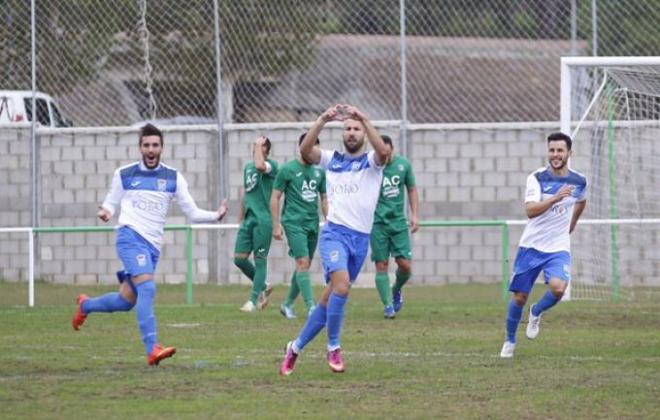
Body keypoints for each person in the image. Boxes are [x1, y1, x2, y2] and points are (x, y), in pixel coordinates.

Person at [72, 123, 228, 366]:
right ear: (140, 148)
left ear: (162, 148)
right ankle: (152, 348)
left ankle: (86, 304)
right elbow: (111, 204)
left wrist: (216, 215)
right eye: (146, 145)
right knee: (148, 289)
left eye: (155, 145)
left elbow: (192, 212)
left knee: (125, 302)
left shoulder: (173, 177)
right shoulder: (124, 174)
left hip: (152, 247)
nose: (151, 149)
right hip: (129, 237)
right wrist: (106, 212)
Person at [279, 104, 390, 375]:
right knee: (341, 287)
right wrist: (321, 121)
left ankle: (295, 347)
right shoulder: (332, 159)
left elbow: (384, 152)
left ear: (363, 134)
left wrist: (364, 116)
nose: (351, 133)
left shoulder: (372, 163)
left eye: (356, 129)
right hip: (334, 234)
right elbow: (305, 150)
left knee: (328, 300)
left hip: (360, 240)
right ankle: (334, 347)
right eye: (347, 129)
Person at [500, 132, 587, 358]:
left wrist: (573, 223)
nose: (555, 155)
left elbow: (582, 200)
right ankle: (510, 341)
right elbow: (530, 211)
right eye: (552, 150)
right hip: (532, 246)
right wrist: (555, 198)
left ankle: (536, 311)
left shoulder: (579, 180)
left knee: (559, 289)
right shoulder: (536, 178)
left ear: (569, 153)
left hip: (558, 247)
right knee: (519, 297)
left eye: (560, 150)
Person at [272, 134, 328, 319]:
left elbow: (324, 198)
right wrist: (276, 225)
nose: (313, 153)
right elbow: (275, 197)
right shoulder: (287, 170)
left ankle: (287, 305)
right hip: (293, 222)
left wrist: (329, 220)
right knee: (302, 262)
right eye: (310, 148)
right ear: (302, 147)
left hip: (312, 223)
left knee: (304, 265)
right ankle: (312, 307)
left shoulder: (319, 172)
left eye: (316, 149)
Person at [370, 135, 419, 319]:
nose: (384, 157)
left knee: (405, 266)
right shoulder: (372, 168)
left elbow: (412, 189)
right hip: (377, 224)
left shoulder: (403, 165)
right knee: (381, 265)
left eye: (387, 153)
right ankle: (388, 306)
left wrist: (415, 215)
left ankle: (396, 289)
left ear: (392, 149)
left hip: (398, 223)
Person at [234, 136, 278, 312]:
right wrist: (241, 216)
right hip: (249, 220)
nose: (256, 149)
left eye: (260, 146)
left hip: (263, 220)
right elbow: (246, 192)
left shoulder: (271, 166)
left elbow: (261, 165)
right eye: (255, 145)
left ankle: (253, 301)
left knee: (260, 260)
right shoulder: (248, 167)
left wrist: (259, 144)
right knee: (239, 259)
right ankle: (264, 286)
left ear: (267, 149)